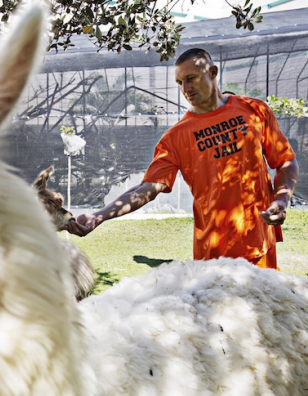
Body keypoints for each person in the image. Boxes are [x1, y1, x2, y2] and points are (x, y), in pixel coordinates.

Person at [67, 48, 299, 269]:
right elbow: (149, 188)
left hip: (259, 240)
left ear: (213, 72)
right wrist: (99, 216)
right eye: (180, 82)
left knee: (266, 308)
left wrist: (281, 200)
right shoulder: (175, 137)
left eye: (191, 78)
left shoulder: (254, 110)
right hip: (214, 252)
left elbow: (285, 161)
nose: (185, 88)